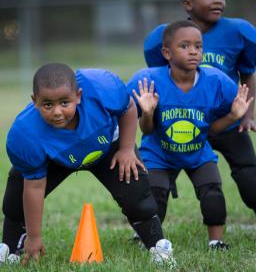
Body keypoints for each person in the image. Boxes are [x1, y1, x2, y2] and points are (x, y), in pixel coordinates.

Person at [142, 0, 256, 248]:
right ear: (188, 4)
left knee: (248, 173)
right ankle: (149, 235)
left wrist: (247, 114)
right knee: (157, 180)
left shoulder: (238, 32)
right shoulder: (168, 36)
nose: (218, 0)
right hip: (181, 120)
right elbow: (161, 76)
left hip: (225, 118)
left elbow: (247, 75)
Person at [0, 63, 176, 267]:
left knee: (136, 192)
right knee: (17, 193)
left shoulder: (101, 88)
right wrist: (35, 236)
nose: (57, 112)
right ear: (35, 102)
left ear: (79, 95)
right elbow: (34, 187)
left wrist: (126, 149)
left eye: (64, 102)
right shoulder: (26, 133)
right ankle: (11, 245)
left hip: (107, 144)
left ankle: (157, 245)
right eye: (47, 104)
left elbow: (127, 106)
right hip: (57, 157)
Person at [128, 20, 254, 250]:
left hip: (197, 151)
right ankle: (150, 239)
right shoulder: (148, 80)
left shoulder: (216, 80)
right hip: (159, 152)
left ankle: (216, 241)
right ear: (166, 52)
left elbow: (211, 131)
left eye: (198, 46)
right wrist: (147, 112)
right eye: (184, 46)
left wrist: (235, 116)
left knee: (212, 189)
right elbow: (147, 130)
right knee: (154, 193)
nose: (193, 51)